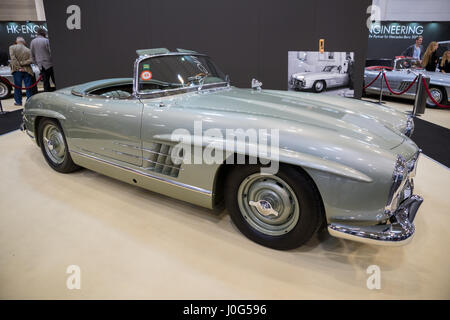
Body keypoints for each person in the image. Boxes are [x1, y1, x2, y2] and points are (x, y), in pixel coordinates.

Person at [9, 37, 34, 106]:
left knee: (17, 86)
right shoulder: (28, 50)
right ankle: (29, 102)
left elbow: (13, 59)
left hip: (17, 70)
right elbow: (31, 60)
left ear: (17, 41)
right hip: (27, 70)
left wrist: (19, 67)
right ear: (24, 42)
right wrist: (23, 64)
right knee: (28, 87)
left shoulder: (12, 47)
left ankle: (18, 102)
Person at [30, 27, 55, 92]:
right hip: (50, 64)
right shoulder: (46, 40)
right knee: (55, 80)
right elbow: (51, 52)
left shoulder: (33, 42)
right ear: (43, 33)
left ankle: (47, 97)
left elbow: (32, 55)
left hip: (41, 66)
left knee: (45, 83)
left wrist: (37, 64)